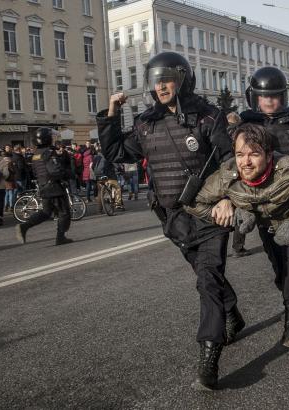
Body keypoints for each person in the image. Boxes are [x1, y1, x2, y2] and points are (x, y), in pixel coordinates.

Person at [96, 51, 244, 391]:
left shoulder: (209, 117)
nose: (160, 86)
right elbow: (117, 152)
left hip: (209, 214)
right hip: (174, 218)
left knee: (207, 279)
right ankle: (232, 313)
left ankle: (210, 354)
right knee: (207, 274)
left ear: (182, 79)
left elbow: (228, 159)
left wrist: (225, 197)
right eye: (155, 81)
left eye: (167, 80)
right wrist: (112, 113)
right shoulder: (147, 122)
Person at [186, 123, 289, 349]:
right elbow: (193, 203)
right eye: (240, 154)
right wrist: (227, 208)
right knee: (281, 271)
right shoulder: (227, 174)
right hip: (266, 228)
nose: (246, 162)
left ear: (269, 154)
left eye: (254, 154)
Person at [238, 66, 289, 347]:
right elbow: (236, 163)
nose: (270, 101)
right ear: (254, 97)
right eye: (264, 96)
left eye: (275, 96)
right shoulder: (246, 126)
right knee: (279, 265)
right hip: (263, 209)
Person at [15, 128, 74, 246]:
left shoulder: (36, 154)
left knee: (46, 212)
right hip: (54, 187)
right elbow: (55, 171)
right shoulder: (48, 152)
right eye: (50, 137)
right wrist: (68, 173)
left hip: (43, 185)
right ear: (47, 139)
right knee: (64, 212)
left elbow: (36, 172)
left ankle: (24, 226)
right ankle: (60, 237)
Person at [226, 111, 251, 258]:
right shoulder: (241, 134)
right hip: (240, 176)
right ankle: (238, 247)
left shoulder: (220, 132)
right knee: (241, 211)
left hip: (225, 177)